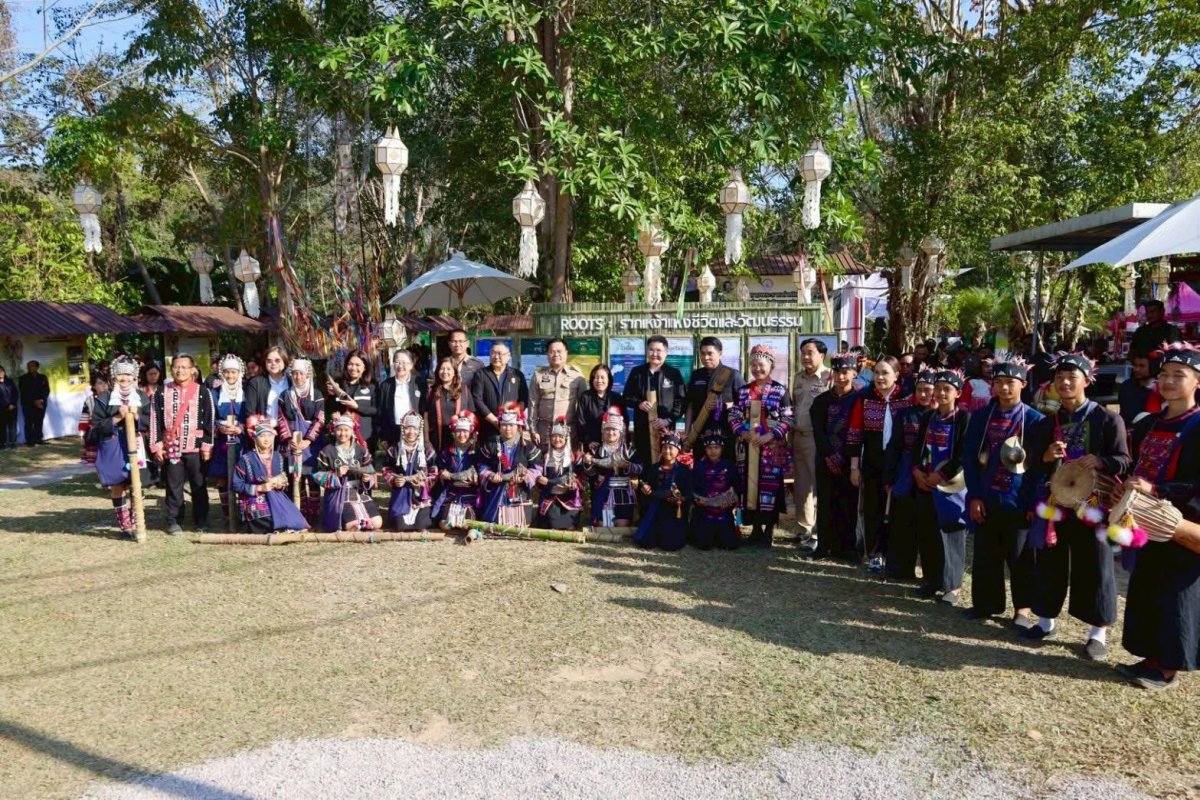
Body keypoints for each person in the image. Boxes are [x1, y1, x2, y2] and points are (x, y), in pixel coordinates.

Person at [1023, 353, 1129, 660]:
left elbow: (1124, 460)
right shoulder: (1048, 422)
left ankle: (1097, 633)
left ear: (1087, 381)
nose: (1065, 382)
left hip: (1093, 503)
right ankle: (1045, 621)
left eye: (1072, 377)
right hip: (1056, 501)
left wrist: (1102, 461)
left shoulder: (1107, 419)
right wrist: (1046, 456)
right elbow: (1031, 463)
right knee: (1049, 561)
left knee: (1095, 563)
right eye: (1059, 378)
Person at [1118, 342, 1200, 691]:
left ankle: (1167, 667)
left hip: (1181, 522)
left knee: (1176, 594)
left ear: (1197, 381)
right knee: (1148, 587)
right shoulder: (1149, 422)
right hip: (1145, 521)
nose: (1168, 381)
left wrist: (1159, 490)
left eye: (1179, 375)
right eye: (1164, 374)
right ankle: (1149, 657)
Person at [961, 355, 1044, 627]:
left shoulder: (1036, 420)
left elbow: (1040, 468)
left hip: (1019, 499)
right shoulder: (981, 418)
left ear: (1023, 384)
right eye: (998, 382)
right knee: (986, 554)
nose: (1004, 388)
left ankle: (1023, 609)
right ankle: (986, 604)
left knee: (1021, 557)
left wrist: (1034, 503)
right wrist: (974, 496)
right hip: (987, 496)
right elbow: (970, 460)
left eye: (1010, 382)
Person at [909, 370, 970, 604]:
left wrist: (941, 475)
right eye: (938, 388)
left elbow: (964, 454)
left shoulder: (964, 418)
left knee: (951, 533)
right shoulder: (929, 417)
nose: (941, 393)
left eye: (947, 389)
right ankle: (932, 580)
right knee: (928, 532)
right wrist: (917, 471)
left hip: (951, 485)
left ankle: (952, 586)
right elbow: (917, 448)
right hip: (926, 481)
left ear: (958, 393)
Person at [728, 344, 794, 548]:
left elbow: (789, 419)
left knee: (770, 488)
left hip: (771, 450)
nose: (757, 369)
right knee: (749, 486)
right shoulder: (743, 391)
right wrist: (742, 432)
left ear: (771, 366)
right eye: (754, 365)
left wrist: (770, 435)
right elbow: (733, 415)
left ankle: (768, 531)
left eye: (761, 365)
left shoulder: (780, 391)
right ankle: (755, 529)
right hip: (748, 447)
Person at [847, 355, 908, 571]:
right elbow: (855, 434)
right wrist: (854, 467)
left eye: (885, 373)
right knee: (873, 509)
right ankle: (875, 554)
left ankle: (895, 556)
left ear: (896, 375)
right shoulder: (864, 397)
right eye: (877, 373)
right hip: (872, 462)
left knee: (897, 511)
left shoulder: (908, 397)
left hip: (900, 464)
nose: (880, 377)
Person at [150, 353, 216, 535]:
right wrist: (157, 446)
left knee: (198, 484)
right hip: (172, 447)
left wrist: (207, 445)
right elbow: (154, 419)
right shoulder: (161, 392)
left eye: (184, 367)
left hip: (196, 447)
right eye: (176, 367)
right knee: (173, 485)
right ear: (171, 370)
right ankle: (174, 520)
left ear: (193, 370)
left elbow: (209, 420)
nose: (180, 371)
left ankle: (201, 519)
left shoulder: (203, 392)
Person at [88, 356, 150, 539]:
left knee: (136, 482)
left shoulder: (142, 397)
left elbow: (151, 421)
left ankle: (137, 521)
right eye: (121, 374)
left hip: (137, 445)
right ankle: (125, 526)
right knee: (118, 484)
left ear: (134, 376)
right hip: (113, 445)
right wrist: (117, 417)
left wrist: (137, 417)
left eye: (128, 375)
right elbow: (97, 426)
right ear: (114, 376)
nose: (125, 378)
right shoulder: (104, 399)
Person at [883, 369, 937, 580]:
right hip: (906, 475)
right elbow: (894, 446)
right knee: (903, 524)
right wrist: (889, 477)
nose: (924, 394)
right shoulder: (905, 414)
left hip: (933, 477)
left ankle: (932, 575)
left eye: (928, 390)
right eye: (920, 390)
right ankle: (900, 570)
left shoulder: (944, 417)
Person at [809, 353, 862, 561]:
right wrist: (829, 456)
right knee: (825, 503)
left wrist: (844, 456)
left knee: (848, 504)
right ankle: (824, 546)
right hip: (825, 459)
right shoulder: (821, 401)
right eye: (837, 372)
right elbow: (818, 431)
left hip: (850, 460)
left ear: (854, 372)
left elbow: (858, 431)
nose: (841, 377)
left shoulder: (860, 400)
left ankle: (847, 548)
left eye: (845, 372)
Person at [230, 415, 309, 533]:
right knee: (268, 518)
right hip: (255, 499)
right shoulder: (246, 459)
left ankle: (284, 528)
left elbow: (284, 479)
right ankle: (280, 529)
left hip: (277, 498)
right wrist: (260, 487)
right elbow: (236, 485)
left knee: (298, 520)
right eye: (262, 436)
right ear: (255, 438)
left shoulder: (278, 457)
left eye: (269, 435)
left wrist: (280, 484)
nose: (266, 439)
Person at [314, 414, 383, 532]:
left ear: (352, 431)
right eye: (339, 430)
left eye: (346, 430)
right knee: (352, 524)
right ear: (334, 431)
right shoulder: (327, 451)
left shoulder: (361, 450)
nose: (343, 433)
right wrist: (336, 474)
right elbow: (318, 476)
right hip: (338, 494)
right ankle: (359, 525)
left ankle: (362, 525)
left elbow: (371, 471)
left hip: (359, 492)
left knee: (377, 523)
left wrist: (367, 479)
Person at [624, 336, 686, 467]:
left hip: (666, 430)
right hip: (642, 428)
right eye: (651, 350)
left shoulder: (673, 374)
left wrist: (668, 420)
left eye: (658, 350)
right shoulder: (637, 372)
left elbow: (681, 401)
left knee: (665, 464)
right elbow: (627, 396)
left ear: (666, 352)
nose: (654, 354)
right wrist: (639, 404)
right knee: (643, 464)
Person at [477, 403, 542, 526]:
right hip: (496, 490)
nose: (508, 429)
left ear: (518, 426)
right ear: (500, 426)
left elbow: (537, 467)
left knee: (518, 525)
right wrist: (491, 475)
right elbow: (482, 465)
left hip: (519, 489)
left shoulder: (527, 446)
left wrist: (525, 477)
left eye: (511, 425)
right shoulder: (491, 445)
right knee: (494, 524)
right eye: (504, 425)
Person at [791, 338, 830, 543]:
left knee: (817, 485)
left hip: (816, 438)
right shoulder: (797, 378)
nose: (805, 357)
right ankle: (804, 529)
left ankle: (817, 532)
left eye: (810, 353)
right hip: (798, 437)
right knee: (802, 485)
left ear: (821, 355)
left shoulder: (829, 377)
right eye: (803, 353)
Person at [279, 358, 326, 519]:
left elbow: (319, 419)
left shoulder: (316, 395)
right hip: (292, 441)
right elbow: (281, 418)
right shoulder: (285, 395)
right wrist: (288, 438)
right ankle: (299, 511)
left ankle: (313, 512)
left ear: (308, 375)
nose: (298, 377)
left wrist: (308, 440)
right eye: (295, 373)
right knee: (295, 477)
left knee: (312, 477)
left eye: (301, 373)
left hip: (312, 443)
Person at [684, 336, 745, 459]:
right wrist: (687, 432)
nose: (705, 357)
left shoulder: (732, 375)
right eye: (702, 354)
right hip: (700, 433)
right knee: (700, 467)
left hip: (725, 434)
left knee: (725, 467)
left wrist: (728, 405)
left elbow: (744, 403)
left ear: (720, 353)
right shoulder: (696, 375)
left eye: (710, 353)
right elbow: (690, 405)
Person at [633, 431, 693, 551]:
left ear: (678, 450)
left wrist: (681, 499)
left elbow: (689, 494)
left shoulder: (684, 470)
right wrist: (645, 490)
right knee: (645, 542)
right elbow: (645, 487)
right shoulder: (654, 468)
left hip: (673, 512)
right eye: (664, 447)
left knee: (670, 545)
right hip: (655, 510)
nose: (667, 451)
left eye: (671, 448)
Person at [583, 406, 641, 528]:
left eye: (614, 429)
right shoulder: (596, 450)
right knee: (603, 525)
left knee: (622, 524)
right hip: (603, 492)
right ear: (603, 432)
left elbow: (640, 468)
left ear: (620, 432)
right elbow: (591, 474)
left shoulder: (629, 451)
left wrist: (627, 465)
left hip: (623, 492)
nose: (610, 433)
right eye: (607, 429)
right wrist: (588, 464)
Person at [379, 412, 437, 531]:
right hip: (401, 495)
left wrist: (423, 483)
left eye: (414, 428)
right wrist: (395, 480)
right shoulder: (394, 449)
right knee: (401, 526)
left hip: (420, 496)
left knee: (421, 525)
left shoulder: (427, 450)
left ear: (419, 430)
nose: (411, 432)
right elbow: (386, 469)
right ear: (402, 429)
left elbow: (434, 472)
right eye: (407, 428)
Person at [208, 355, 248, 524]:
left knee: (244, 475)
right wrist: (219, 427)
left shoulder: (246, 391)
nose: (230, 376)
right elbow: (209, 417)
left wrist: (241, 428)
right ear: (221, 373)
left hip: (242, 441)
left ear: (239, 373)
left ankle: (245, 512)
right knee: (223, 478)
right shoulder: (214, 393)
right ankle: (228, 514)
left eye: (233, 372)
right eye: (226, 372)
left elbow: (251, 414)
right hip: (222, 442)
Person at [431, 411, 480, 536]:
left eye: (465, 431)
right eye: (458, 431)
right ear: (453, 432)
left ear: (470, 432)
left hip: (469, 493)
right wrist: (442, 474)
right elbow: (440, 468)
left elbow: (477, 473)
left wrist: (473, 478)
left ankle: (463, 523)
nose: (462, 435)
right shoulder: (446, 452)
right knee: (444, 525)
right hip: (451, 492)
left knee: (466, 525)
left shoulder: (476, 451)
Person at [529, 338, 586, 446]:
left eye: (559, 351)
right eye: (552, 351)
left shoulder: (577, 376)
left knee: (568, 457)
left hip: (568, 431)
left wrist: (582, 433)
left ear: (566, 353)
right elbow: (533, 404)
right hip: (544, 431)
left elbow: (584, 406)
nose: (556, 354)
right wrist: (533, 430)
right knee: (543, 457)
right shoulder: (538, 375)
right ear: (547, 354)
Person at [690, 431, 740, 550]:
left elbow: (736, 487)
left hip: (723, 510)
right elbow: (693, 488)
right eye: (709, 448)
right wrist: (698, 500)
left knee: (729, 545)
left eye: (716, 447)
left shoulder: (729, 466)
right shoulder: (699, 466)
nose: (713, 451)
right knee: (704, 544)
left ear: (722, 448)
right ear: (705, 449)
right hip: (705, 510)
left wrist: (730, 499)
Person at [470, 342, 529, 443]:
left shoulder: (517, 375)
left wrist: (515, 412)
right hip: (488, 426)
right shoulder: (481, 374)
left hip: (511, 426)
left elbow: (524, 398)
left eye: (499, 353)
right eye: (493, 353)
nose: (496, 356)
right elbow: (477, 399)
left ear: (508, 356)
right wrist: (495, 421)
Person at [534, 417, 584, 529]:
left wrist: (572, 482)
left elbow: (576, 476)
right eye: (554, 436)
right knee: (552, 523)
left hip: (569, 497)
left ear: (566, 438)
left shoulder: (574, 456)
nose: (557, 439)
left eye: (561, 436)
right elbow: (537, 473)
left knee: (571, 525)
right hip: (550, 497)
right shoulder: (544, 455)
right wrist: (539, 478)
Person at [325, 349, 377, 449]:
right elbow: (329, 408)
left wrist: (357, 407)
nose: (353, 368)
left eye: (357, 365)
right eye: (350, 364)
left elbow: (376, 410)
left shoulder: (372, 385)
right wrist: (331, 395)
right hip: (342, 437)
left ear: (365, 367)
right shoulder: (339, 383)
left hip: (365, 438)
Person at [376, 349, 425, 451]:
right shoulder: (386, 385)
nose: (400, 366)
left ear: (411, 365)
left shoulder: (419, 383)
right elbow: (381, 412)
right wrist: (383, 437)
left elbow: (424, 410)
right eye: (397, 362)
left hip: (414, 432)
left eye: (404, 362)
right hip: (393, 432)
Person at [425, 356, 474, 455]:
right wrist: (426, 441)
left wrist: (472, 438)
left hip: (460, 441)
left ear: (454, 372)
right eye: (442, 369)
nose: (445, 372)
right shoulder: (431, 391)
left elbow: (472, 416)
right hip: (436, 442)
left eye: (448, 369)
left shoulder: (464, 391)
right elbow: (425, 417)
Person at [574, 364, 625, 450]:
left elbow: (624, 422)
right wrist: (588, 441)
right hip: (592, 445)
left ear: (609, 379)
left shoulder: (616, 398)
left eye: (602, 377)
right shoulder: (585, 397)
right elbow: (580, 422)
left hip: (613, 446)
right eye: (596, 377)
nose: (599, 380)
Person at [244, 346, 291, 421]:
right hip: (265, 426)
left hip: (290, 427)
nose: (273, 363)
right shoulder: (256, 383)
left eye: (277, 360)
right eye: (269, 361)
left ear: (284, 361)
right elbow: (250, 413)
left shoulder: (292, 382)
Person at [1117, 351, 1161, 429]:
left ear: (1153, 367)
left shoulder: (1160, 389)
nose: (1136, 369)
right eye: (1135, 365)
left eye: (1142, 366)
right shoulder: (1127, 386)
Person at [79, 373, 110, 464]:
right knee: (95, 461)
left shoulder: (113, 398)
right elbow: (84, 418)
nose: (104, 385)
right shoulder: (90, 400)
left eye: (105, 382)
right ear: (93, 386)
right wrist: (82, 435)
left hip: (110, 431)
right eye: (100, 383)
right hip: (95, 433)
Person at [18, 360, 50, 446]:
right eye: (28, 366)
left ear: (37, 367)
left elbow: (46, 390)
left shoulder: (43, 377)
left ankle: (38, 438)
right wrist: (35, 401)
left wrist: (41, 400)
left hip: (41, 403)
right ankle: (29, 441)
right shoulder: (23, 378)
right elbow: (24, 392)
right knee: (29, 422)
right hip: (28, 404)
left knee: (39, 421)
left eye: (32, 366)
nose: (29, 368)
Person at [0, 365, 17, 449]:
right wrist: (5, 406)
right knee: (1, 427)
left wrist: (13, 404)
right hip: (1, 409)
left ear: (4, 372)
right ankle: (2, 444)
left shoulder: (10, 381)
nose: (0, 373)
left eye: (1, 371)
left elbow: (15, 394)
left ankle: (13, 443)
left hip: (12, 408)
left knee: (12, 426)